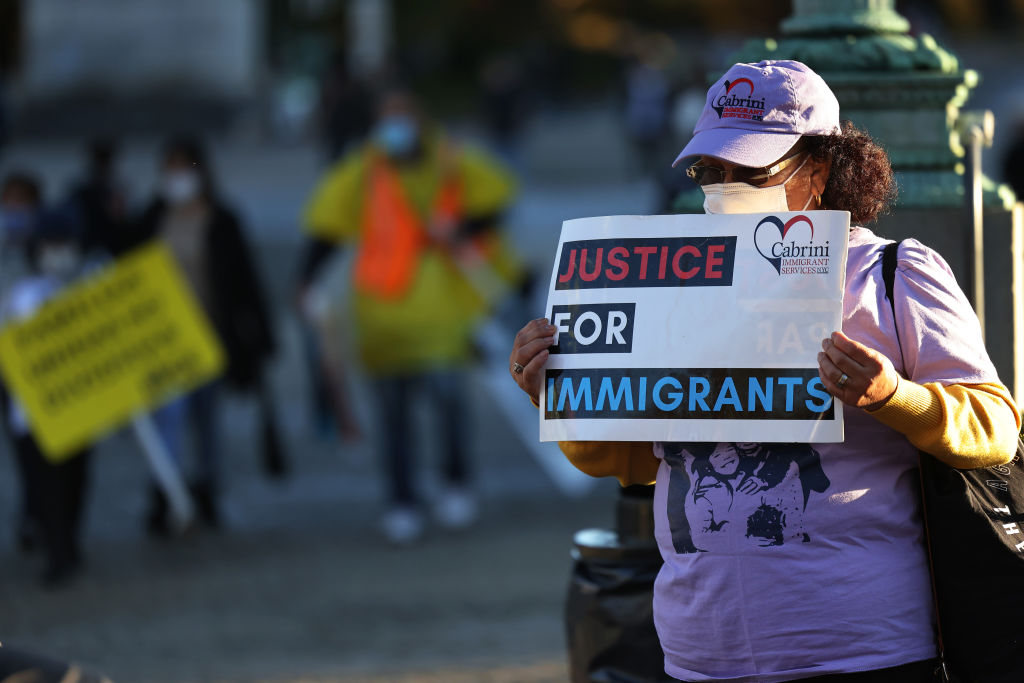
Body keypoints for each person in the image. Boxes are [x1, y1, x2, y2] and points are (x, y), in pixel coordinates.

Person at [509, 60, 1021, 682]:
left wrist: (894, 397)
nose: (724, 186)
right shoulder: (672, 279)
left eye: (749, 170)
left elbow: (994, 427)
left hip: (864, 654)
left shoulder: (894, 275)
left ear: (821, 168)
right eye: (709, 170)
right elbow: (637, 463)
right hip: (699, 655)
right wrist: (562, 394)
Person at [299, 87, 526, 544]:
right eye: (387, 119)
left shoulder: (450, 161)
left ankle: (454, 483)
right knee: (393, 412)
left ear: (420, 120)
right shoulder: (363, 171)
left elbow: (496, 203)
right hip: (382, 310)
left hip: (440, 304)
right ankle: (402, 499)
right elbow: (326, 226)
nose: (395, 129)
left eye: (402, 117)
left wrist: (462, 228)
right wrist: (304, 281)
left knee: (447, 402)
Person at [121, 137, 276, 533]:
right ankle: (168, 492)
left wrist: (259, 334)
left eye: (183, 168)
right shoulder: (152, 217)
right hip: (163, 339)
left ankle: (207, 490)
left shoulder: (222, 219)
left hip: (208, 333)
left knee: (207, 419)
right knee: (168, 418)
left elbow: (245, 280)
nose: (176, 178)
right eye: (169, 168)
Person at [0, 206, 92, 586]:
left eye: (64, 242)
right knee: (45, 485)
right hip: (31, 413)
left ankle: (68, 544)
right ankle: (57, 552)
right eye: (51, 243)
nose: (58, 251)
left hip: (80, 405)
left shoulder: (90, 285)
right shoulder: (21, 296)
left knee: (74, 482)